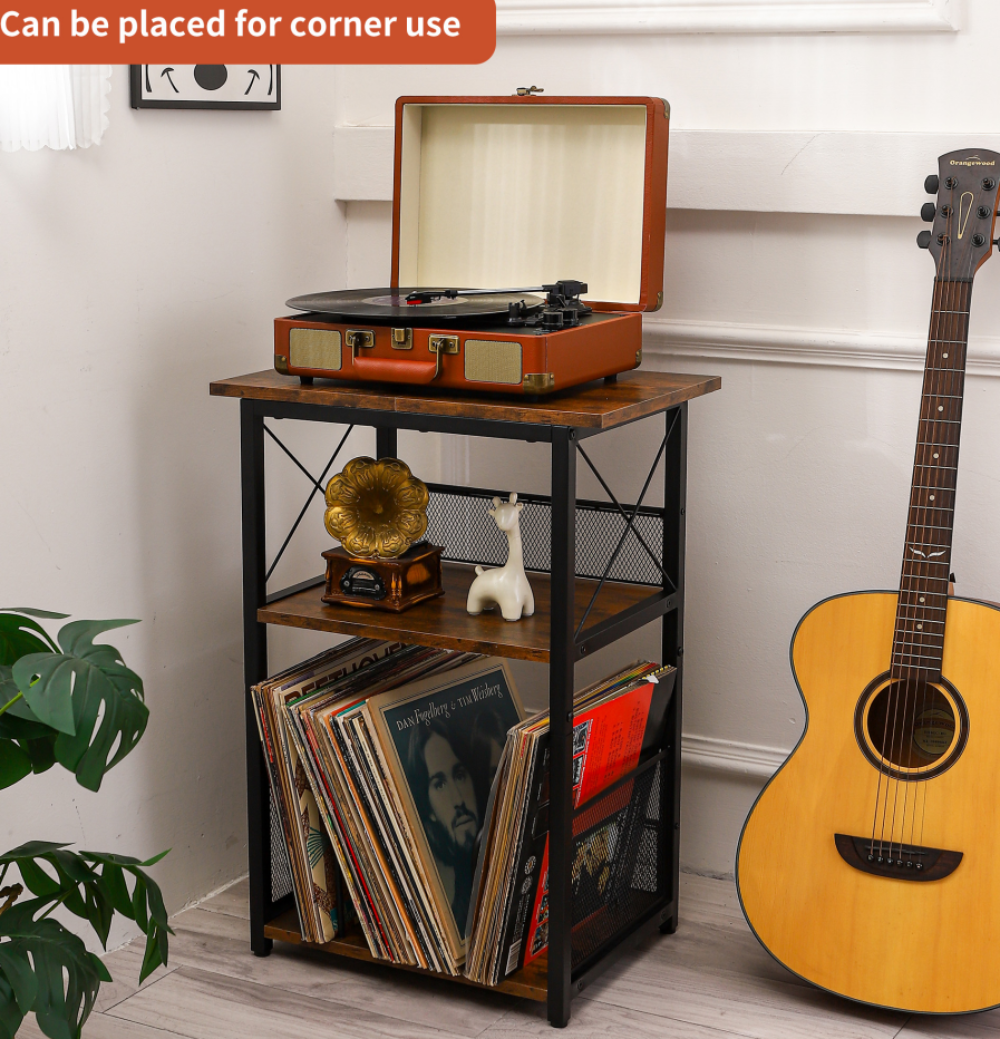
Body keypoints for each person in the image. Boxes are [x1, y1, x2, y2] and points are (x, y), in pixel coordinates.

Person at [406, 719, 479, 929]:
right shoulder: (455, 915)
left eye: (460, 776)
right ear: (429, 809)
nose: (458, 800)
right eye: (440, 785)